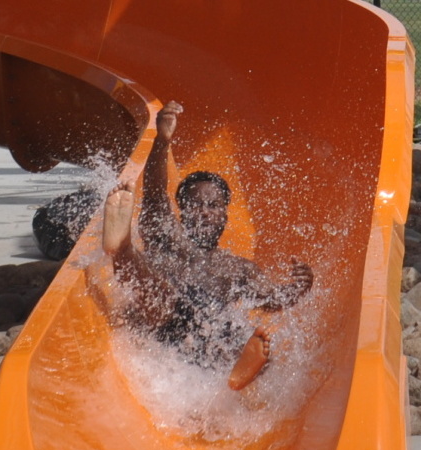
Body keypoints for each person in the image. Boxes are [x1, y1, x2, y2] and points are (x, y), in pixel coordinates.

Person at [88, 101, 310, 390]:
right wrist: (161, 142)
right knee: (157, 288)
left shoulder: (237, 268)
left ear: (225, 214)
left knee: (232, 332)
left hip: (204, 336)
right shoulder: (168, 236)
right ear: (181, 211)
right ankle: (120, 248)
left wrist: (298, 287)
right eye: (195, 205)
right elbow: (155, 192)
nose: (204, 211)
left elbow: (271, 300)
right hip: (160, 318)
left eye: (213, 205)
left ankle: (239, 373)